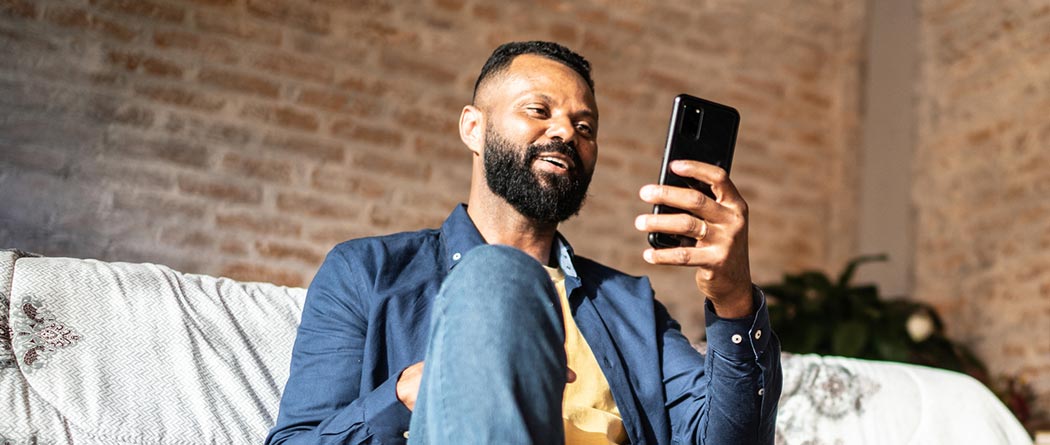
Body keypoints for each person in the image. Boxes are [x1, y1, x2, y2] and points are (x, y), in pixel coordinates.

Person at [266, 41, 781, 445]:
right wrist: (408, 394)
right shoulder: (367, 272)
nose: (566, 132)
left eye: (586, 126)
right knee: (497, 274)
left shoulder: (631, 308)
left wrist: (733, 300)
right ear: (473, 127)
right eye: (538, 110)